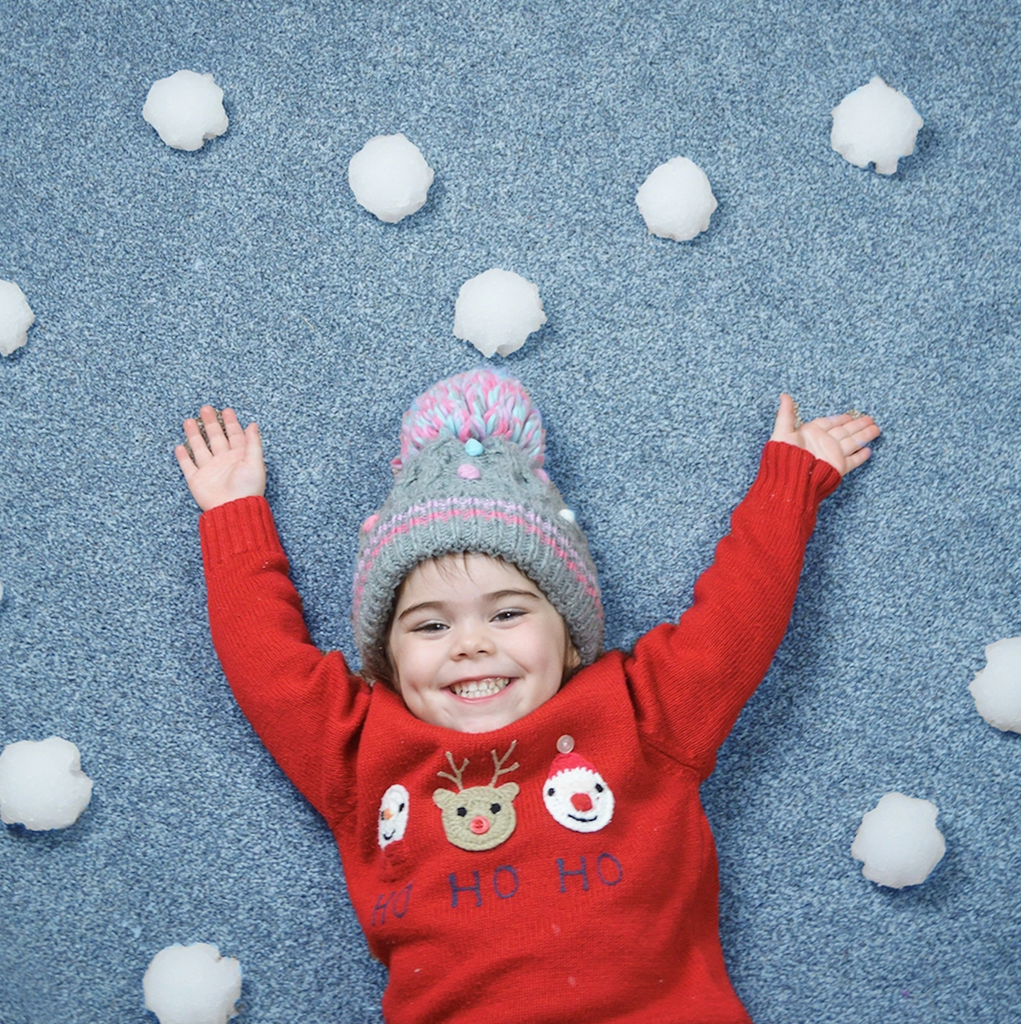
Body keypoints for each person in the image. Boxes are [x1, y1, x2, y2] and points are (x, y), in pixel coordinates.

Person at [175, 369, 879, 1024]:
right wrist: (234, 511)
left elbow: (738, 615)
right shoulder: (360, 749)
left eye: (507, 613)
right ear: (385, 661)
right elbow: (265, 664)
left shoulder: (641, 711)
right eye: (429, 625)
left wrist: (790, 486)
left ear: (571, 637)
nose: (469, 643)